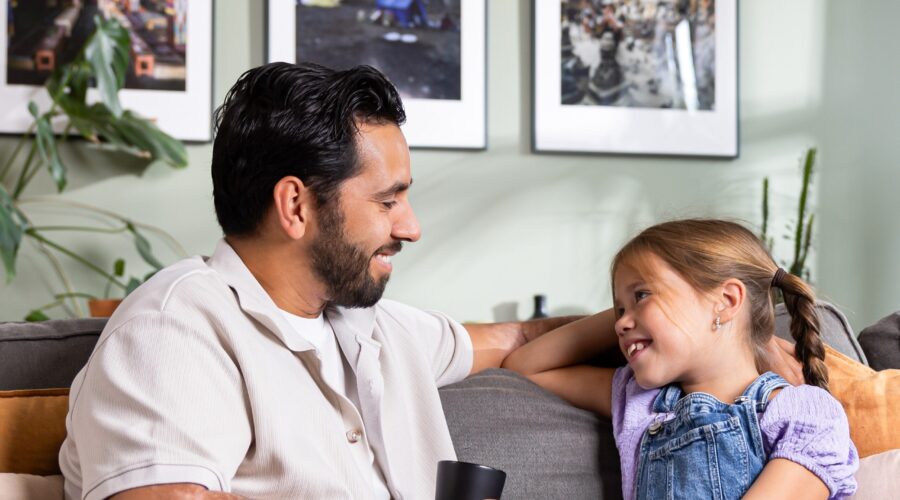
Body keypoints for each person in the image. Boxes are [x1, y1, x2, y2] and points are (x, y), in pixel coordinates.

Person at [57, 62, 579, 500]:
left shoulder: (378, 329)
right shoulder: (174, 331)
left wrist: (650, 315)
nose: (411, 228)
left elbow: (520, 338)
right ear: (296, 205)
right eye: (388, 200)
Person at [503, 219, 858, 500]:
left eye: (642, 294)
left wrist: (636, 316)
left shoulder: (807, 413)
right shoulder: (639, 401)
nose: (620, 324)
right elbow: (525, 366)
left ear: (726, 300)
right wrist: (628, 314)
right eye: (618, 309)